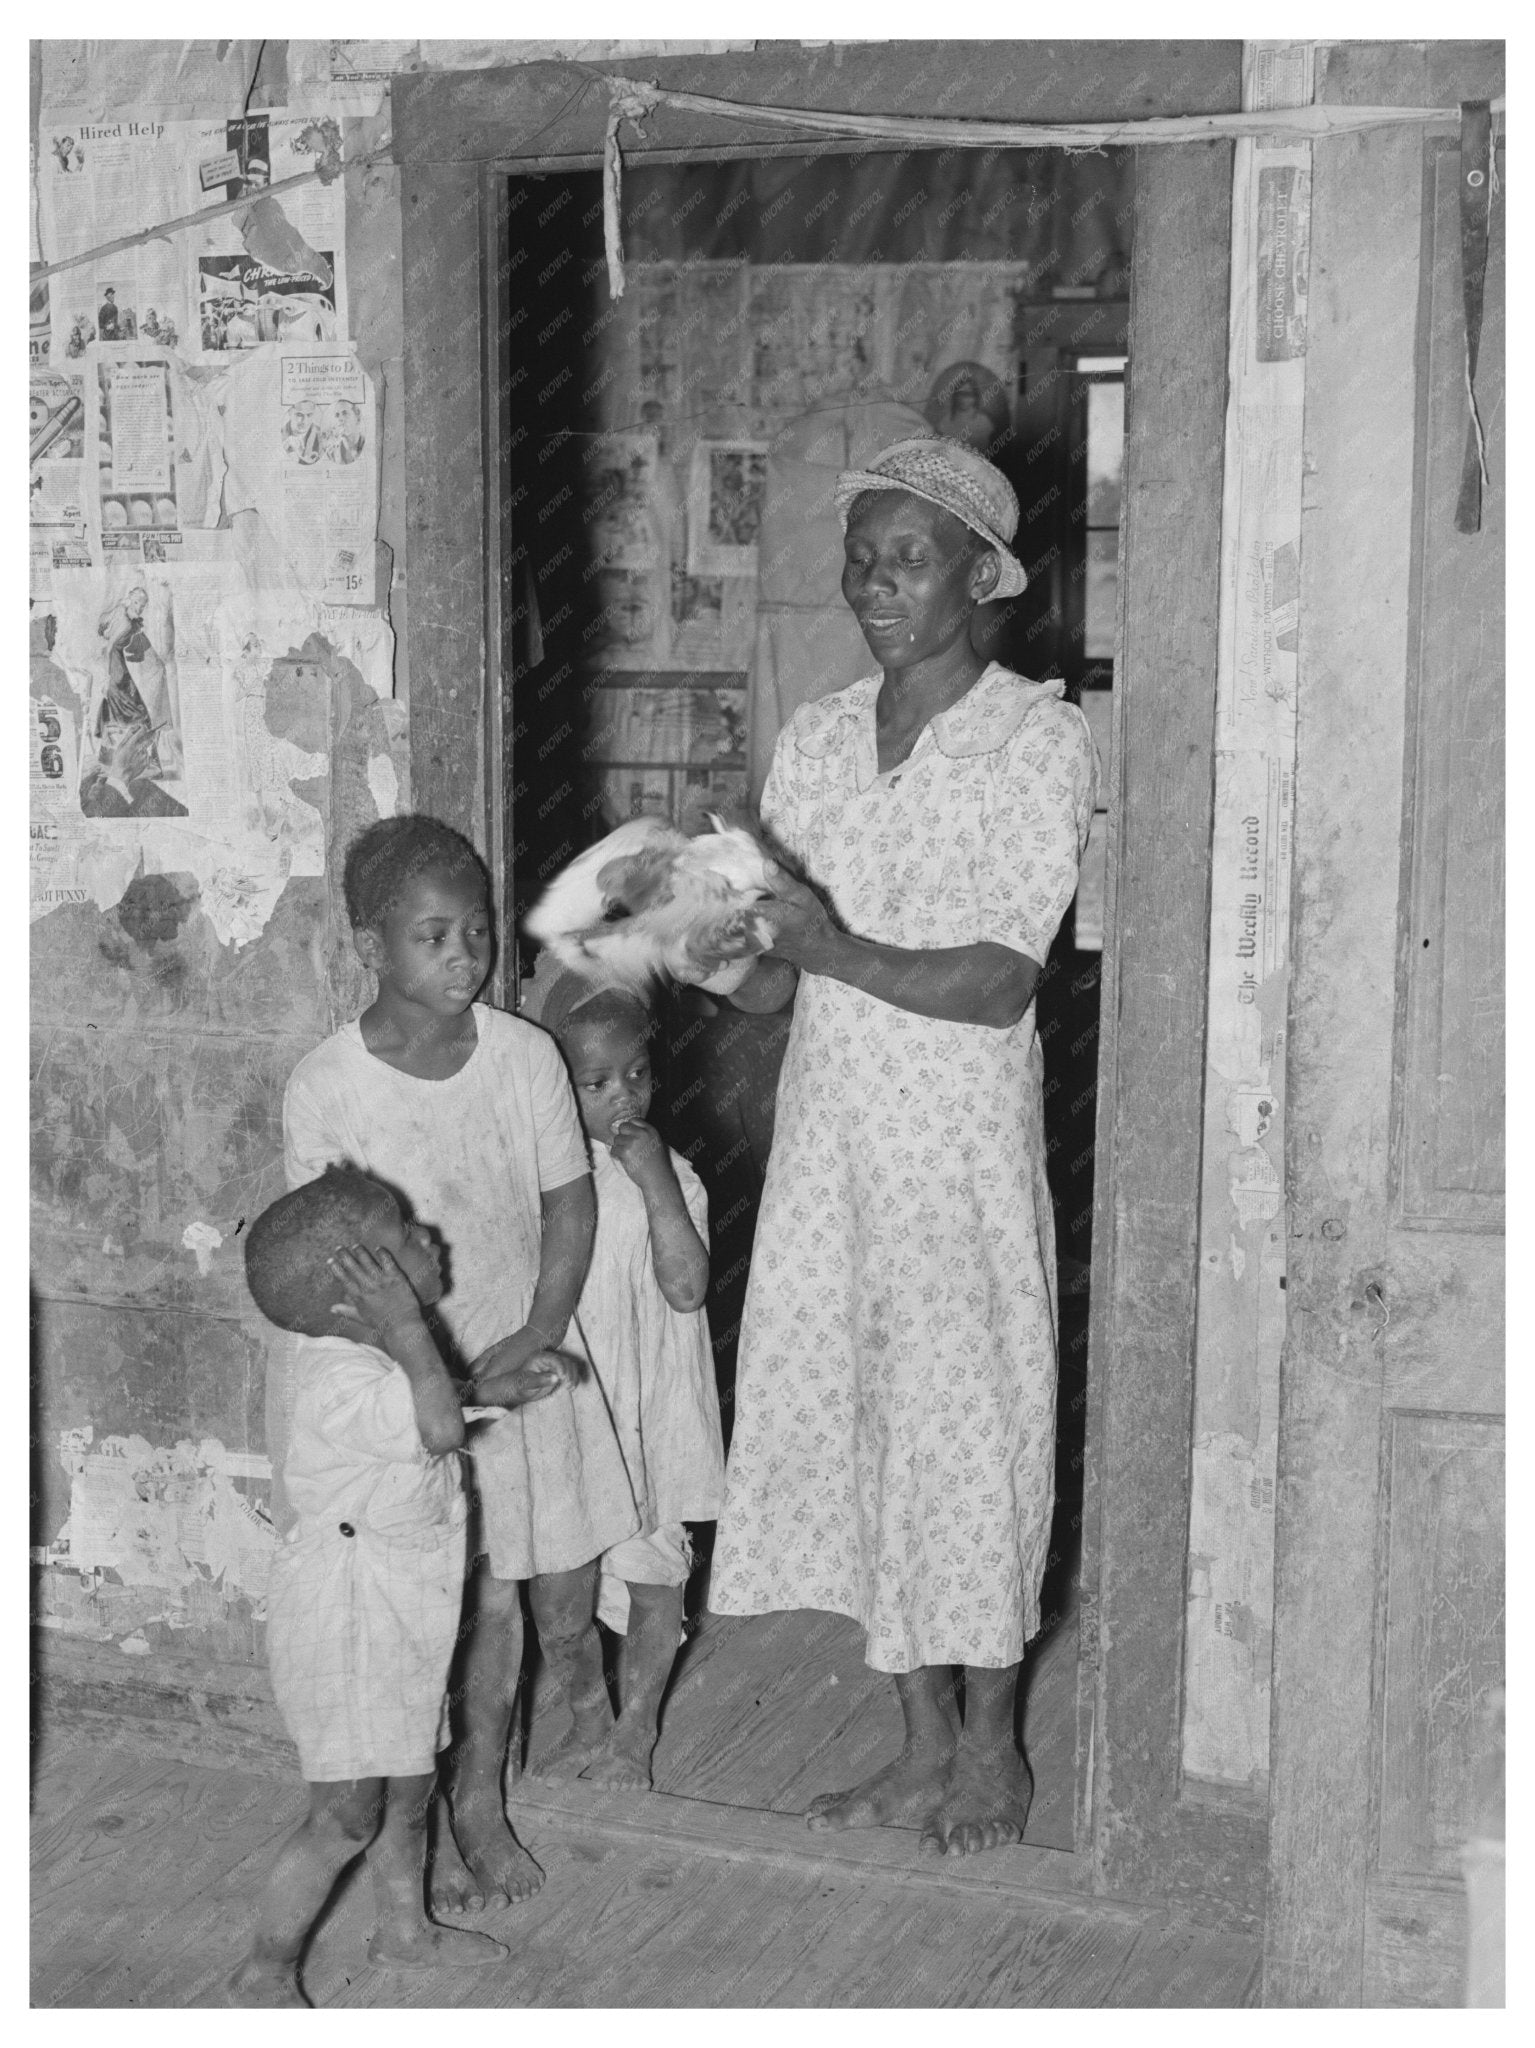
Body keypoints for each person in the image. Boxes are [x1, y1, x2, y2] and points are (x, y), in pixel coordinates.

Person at [709, 435, 1099, 1859]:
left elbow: (999, 977)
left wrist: (824, 944)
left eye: (909, 559)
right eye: (862, 558)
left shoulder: (1037, 738)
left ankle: (993, 1747)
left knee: (972, 1434)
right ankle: (915, 1748)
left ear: (981, 578)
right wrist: (708, 952)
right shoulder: (815, 737)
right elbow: (774, 978)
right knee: (862, 1424)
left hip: (953, 1149)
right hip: (828, 1148)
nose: (876, 584)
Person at [283, 815, 638, 1913]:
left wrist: (537, 1327)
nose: (462, 954)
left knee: (495, 1610)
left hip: (515, 1361)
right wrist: (420, 1375)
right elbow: (320, 1266)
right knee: (415, 1630)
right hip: (405, 1388)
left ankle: (477, 1798)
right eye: (431, 934)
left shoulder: (525, 1055)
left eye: (476, 930)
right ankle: (408, 1829)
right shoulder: (327, 1085)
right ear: (367, 946)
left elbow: (566, 1202)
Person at [228, 1166, 524, 2005]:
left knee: (407, 1775)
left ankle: (406, 1930)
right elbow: (428, 1421)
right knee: (347, 1812)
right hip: (347, 1615)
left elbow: (436, 1404)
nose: (427, 1237)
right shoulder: (336, 1379)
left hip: (396, 1606)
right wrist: (407, 1323)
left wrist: (489, 1391)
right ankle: (265, 1969)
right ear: (361, 1298)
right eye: (404, 1242)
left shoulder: (367, 1351)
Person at [524, 968, 723, 1788]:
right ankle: (585, 1717)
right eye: (595, 1082)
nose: (622, 1098)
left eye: (636, 1075)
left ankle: (634, 1730)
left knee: (651, 1582)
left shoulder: (671, 1179)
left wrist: (655, 1187)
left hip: (648, 1415)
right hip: (567, 1420)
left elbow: (685, 1287)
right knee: (559, 1605)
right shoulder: (532, 1180)